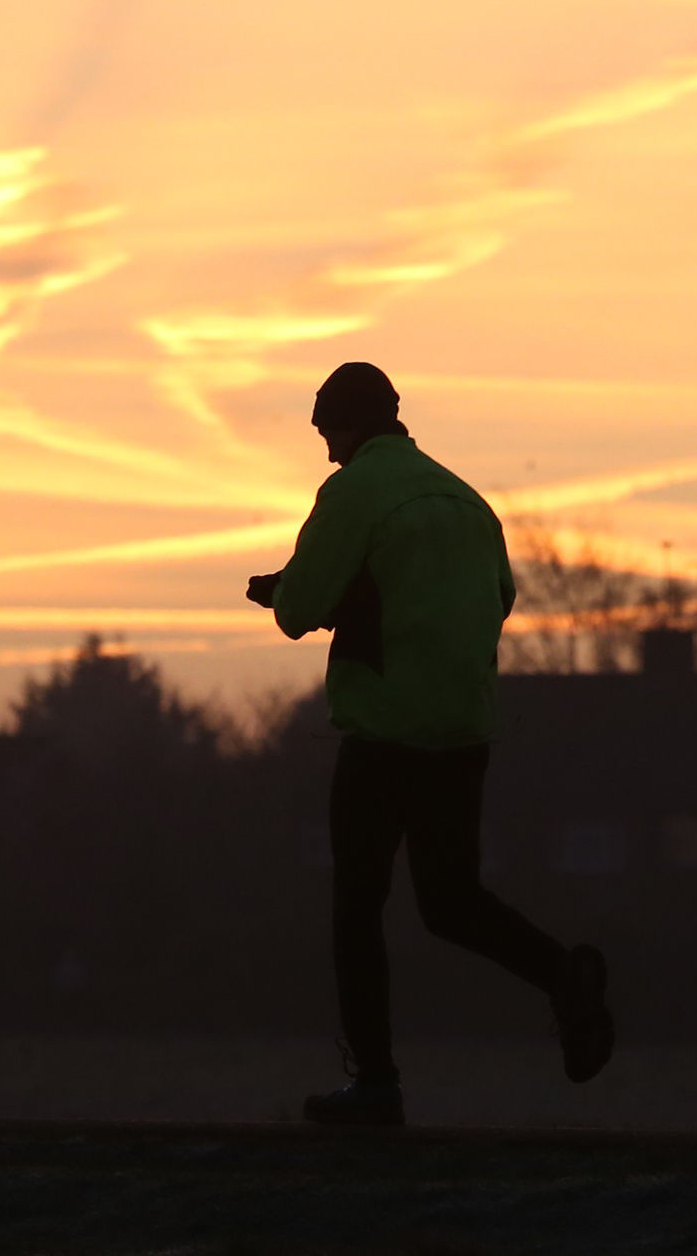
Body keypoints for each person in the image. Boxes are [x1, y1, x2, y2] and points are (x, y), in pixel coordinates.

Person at [247, 361, 612, 1127]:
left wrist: (283, 586)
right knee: (451, 900)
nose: (325, 450)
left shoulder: (351, 493)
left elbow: (299, 609)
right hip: (464, 731)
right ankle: (561, 975)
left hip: (384, 732)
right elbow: (500, 598)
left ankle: (375, 1083)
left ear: (346, 425)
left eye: (326, 432)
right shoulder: (467, 500)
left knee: (357, 908)